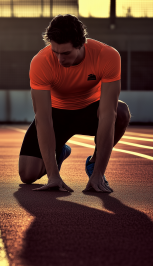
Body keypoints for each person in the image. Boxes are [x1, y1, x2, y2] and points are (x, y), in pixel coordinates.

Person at [19, 14, 131, 193]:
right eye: (55, 52)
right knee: (27, 174)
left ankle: (93, 165)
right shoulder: (40, 62)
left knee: (121, 112)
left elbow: (107, 115)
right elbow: (43, 118)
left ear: (81, 44)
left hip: (90, 111)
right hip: (57, 115)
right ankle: (60, 152)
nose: (60, 59)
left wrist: (98, 173)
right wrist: (53, 175)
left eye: (66, 53)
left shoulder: (107, 56)